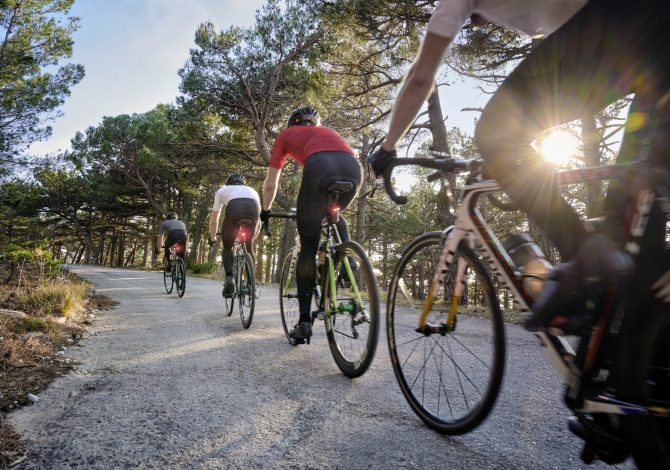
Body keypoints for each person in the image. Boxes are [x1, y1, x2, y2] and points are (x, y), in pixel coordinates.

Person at [369, 0, 670, 332]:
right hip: (654, 42)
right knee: (629, 229)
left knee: (496, 131)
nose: (476, 26)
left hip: (625, 22)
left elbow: (420, 75)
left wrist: (387, 147)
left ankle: (581, 253)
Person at [261, 107, 362, 342]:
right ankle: (346, 260)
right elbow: (350, 154)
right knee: (332, 214)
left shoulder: (286, 135)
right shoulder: (329, 132)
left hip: (319, 168)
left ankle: (305, 322)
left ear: (292, 123)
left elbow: (270, 183)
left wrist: (265, 210)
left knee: (308, 243)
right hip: (353, 169)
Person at [208, 172, 261, 297]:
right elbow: (259, 221)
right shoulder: (252, 190)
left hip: (234, 210)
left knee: (227, 246)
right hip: (253, 211)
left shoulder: (223, 190)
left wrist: (212, 237)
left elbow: (214, 220)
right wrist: (252, 238)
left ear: (228, 183)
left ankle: (229, 278)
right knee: (249, 246)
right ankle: (251, 284)